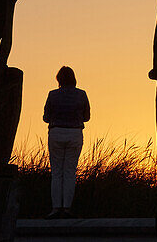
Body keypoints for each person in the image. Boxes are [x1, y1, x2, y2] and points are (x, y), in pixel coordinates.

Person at [43, 66, 90, 218]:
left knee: (57, 173)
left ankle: (56, 208)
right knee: (70, 172)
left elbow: (46, 117)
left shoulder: (52, 95)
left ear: (59, 79)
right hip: (75, 133)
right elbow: (87, 117)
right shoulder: (82, 94)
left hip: (56, 132)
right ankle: (67, 208)